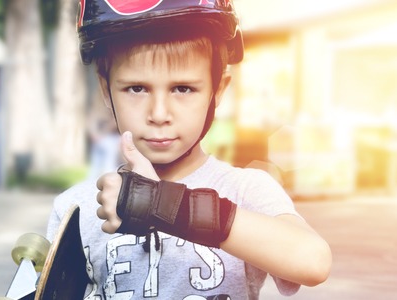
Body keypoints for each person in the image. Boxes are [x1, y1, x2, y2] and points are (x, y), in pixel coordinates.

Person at [46, 1, 332, 299]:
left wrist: (163, 205)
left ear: (217, 90)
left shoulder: (245, 190)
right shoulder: (76, 208)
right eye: (136, 88)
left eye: (183, 89)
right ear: (106, 91)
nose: (158, 114)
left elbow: (313, 262)